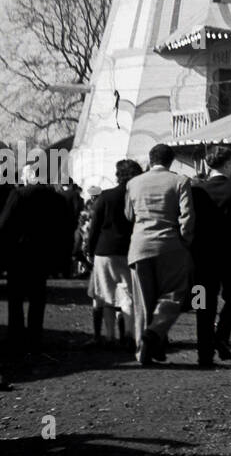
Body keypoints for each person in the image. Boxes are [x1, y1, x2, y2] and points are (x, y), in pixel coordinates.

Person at [125, 143, 194, 366]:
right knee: (173, 296)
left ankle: (142, 351)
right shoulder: (180, 181)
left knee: (143, 303)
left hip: (140, 246)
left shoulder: (133, 183)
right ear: (171, 161)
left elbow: (128, 215)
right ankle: (155, 332)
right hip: (170, 246)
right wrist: (185, 239)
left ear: (150, 159)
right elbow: (187, 216)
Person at [0, 160, 75, 362]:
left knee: (16, 299)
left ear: (27, 176)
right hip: (43, 254)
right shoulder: (56, 199)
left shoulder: (18, 195)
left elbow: (5, 225)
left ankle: (16, 339)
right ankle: (34, 340)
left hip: (19, 253)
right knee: (37, 298)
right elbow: (65, 229)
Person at [190, 146, 231, 367]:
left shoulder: (197, 190)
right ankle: (222, 333)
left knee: (201, 305)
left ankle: (204, 354)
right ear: (227, 163)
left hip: (202, 259)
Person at [84, 159, 140, 349]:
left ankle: (109, 336)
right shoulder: (136, 197)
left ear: (118, 175)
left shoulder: (106, 197)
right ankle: (129, 335)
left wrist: (90, 251)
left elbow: (94, 227)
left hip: (104, 250)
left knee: (106, 296)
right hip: (129, 251)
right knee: (127, 296)